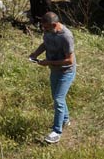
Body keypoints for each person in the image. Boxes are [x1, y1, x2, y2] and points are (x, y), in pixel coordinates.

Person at [29, 12, 76, 144]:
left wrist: (48, 62)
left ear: (54, 25)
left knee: (58, 99)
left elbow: (69, 61)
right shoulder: (49, 31)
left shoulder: (66, 36)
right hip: (55, 70)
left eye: (46, 28)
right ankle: (65, 119)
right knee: (56, 96)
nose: (44, 30)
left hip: (66, 71)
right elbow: (45, 44)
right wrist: (35, 54)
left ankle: (56, 131)